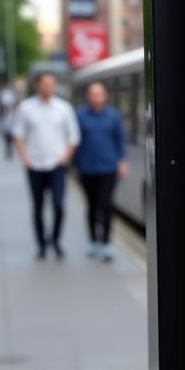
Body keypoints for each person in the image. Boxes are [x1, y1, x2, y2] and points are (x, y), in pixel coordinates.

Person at [13, 73, 79, 259]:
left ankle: (56, 240)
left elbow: (73, 136)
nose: (48, 87)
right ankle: (41, 244)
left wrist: (65, 157)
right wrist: (25, 156)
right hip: (35, 164)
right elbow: (18, 134)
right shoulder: (26, 108)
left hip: (57, 164)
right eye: (44, 84)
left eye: (51, 84)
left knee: (58, 205)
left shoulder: (64, 108)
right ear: (38, 86)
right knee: (38, 206)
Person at [75, 81, 128, 261]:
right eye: (93, 94)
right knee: (91, 206)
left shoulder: (113, 116)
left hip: (108, 167)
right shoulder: (80, 116)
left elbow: (120, 139)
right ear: (88, 97)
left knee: (106, 205)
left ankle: (106, 243)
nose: (97, 97)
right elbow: (75, 141)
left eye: (100, 94)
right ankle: (92, 240)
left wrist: (122, 161)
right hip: (87, 168)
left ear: (105, 96)